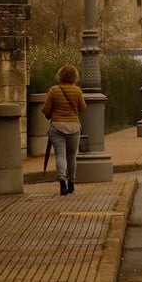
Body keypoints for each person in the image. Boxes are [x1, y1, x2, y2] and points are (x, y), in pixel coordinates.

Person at [41, 65, 86, 196]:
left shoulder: (53, 90)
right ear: (74, 76)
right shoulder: (77, 90)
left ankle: (62, 181)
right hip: (73, 126)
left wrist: (54, 111)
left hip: (57, 126)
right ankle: (71, 183)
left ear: (60, 75)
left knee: (60, 155)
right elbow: (83, 107)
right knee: (72, 156)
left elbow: (45, 109)